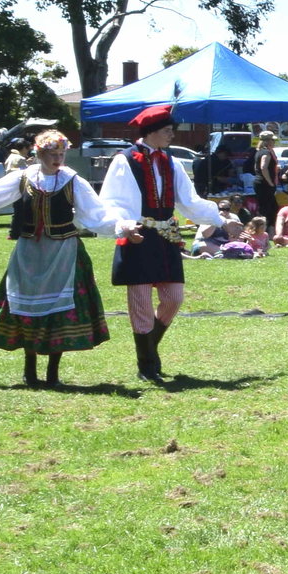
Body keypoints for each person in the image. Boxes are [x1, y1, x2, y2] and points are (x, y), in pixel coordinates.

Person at [0, 129, 114, 386]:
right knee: (27, 307)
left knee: (59, 308)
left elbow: (96, 213)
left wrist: (122, 228)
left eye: (61, 154)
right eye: (52, 154)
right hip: (30, 251)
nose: (58, 159)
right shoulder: (24, 178)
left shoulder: (73, 180)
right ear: (39, 153)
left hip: (63, 252)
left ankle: (53, 373)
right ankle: (30, 370)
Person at [98, 104, 233, 385]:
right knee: (141, 304)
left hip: (166, 238)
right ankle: (146, 362)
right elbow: (112, 201)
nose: (172, 135)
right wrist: (124, 225)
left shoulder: (170, 161)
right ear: (151, 132)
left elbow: (190, 200)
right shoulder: (124, 160)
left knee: (173, 298)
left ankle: (151, 346)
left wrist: (220, 220)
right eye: (168, 130)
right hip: (137, 235)